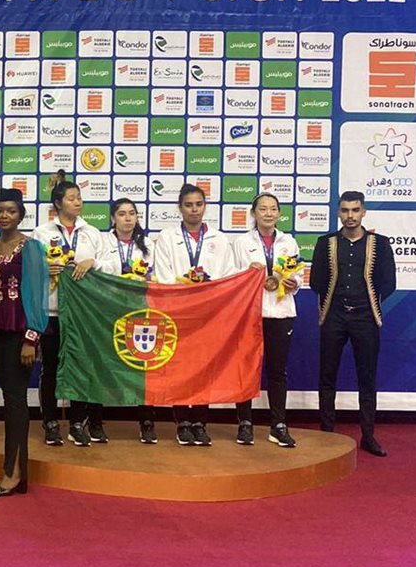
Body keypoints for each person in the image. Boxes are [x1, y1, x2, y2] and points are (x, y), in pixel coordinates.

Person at [151, 183, 239, 447]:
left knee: (205, 367)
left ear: (205, 206)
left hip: (209, 314)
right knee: (180, 367)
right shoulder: (167, 237)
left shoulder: (219, 239)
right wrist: (188, 289)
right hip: (179, 312)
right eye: (188, 205)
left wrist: (208, 291)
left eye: (199, 204)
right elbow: (163, 275)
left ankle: (200, 422)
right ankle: (182, 422)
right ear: (180, 208)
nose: (194, 210)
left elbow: (228, 275)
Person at [310, 191, 396, 457]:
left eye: (355, 210)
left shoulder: (380, 244)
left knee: (367, 378)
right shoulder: (325, 243)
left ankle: (368, 436)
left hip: (365, 317)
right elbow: (316, 281)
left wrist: (367, 301)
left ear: (363, 212)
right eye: (345, 210)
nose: (350, 216)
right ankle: (327, 434)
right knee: (327, 376)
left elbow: (388, 282)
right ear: (338, 212)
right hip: (333, 315)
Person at [0, 189, 49, 494]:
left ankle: (14, 472)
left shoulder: (30, 247)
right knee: (9, 398)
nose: (4, 215)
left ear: (21, 215)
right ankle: (13, 469)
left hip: (20, 332)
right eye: (0, 210)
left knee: (16, 400)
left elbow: (37, 293)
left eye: (10, 210)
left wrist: (31, 338)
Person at [31, 171, 104, 447]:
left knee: (80, 368)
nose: (77, 202)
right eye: (71, 198)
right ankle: (50, 423)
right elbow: (30, 269)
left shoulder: (92, 233)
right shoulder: (42, 232)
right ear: (58, 203)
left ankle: (77, 423)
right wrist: (43, 268)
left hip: (82, 314)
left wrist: (92, 263)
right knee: (50, 368)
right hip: (52, 312)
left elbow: (109, 266)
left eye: (79, 198)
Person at [231, 193, 304, 448]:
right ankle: (245, 423)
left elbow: (298, 273)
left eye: (273, 209)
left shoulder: (288, 242)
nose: (268, 213)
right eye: (263, 209)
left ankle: (278, 425)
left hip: (281, 313)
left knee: (277, 371)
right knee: (246, 369)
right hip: (250, 313)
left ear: (279, 214)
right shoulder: (241, 242)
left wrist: (294, 282)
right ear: (254, 213)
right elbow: (232, 276)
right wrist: (246, 273)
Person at [96, 198, 159, 443]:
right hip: (107, 310)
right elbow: (97, 270)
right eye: (122, 214)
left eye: (132, 213)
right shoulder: (102, 241)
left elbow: (155, 275)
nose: (128, 218)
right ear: (113, 218)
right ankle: (96, 420)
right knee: (103, 364)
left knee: (142, 364)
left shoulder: (148, 244)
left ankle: (146, 420)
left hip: (138, 311)